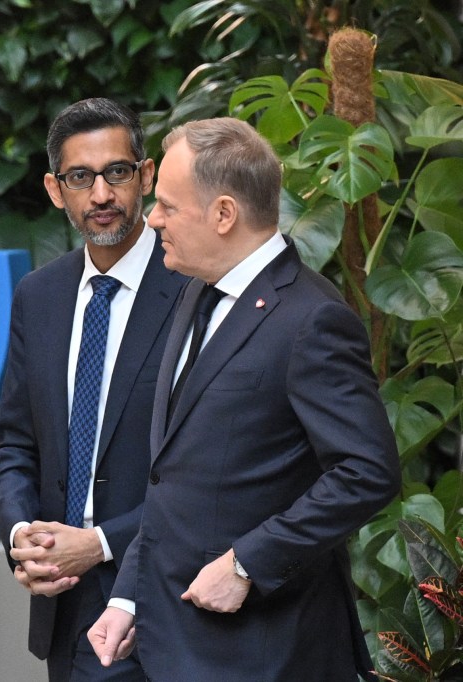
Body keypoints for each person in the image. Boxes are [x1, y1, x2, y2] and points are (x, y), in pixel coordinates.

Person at [86, 117, 401, 681]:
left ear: (224, 214)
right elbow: (171, 477)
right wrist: (128, 596)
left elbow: (366, 471)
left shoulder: (313, 318)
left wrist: (248, 564)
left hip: (266, 653)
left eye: (169, 207)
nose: (152, 218)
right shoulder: (192, 293)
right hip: (171, 645)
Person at [0, 98, 186, 681]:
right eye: (80, 177)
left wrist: (100, 542)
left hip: (164, 598)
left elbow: (210, 470)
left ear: (146, 177)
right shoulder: (38, 296)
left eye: (117, 172)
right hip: (63, 606)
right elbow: (14, 446)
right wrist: (25, 536)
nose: (101, 195)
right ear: (55, 189)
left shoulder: (192, 289)